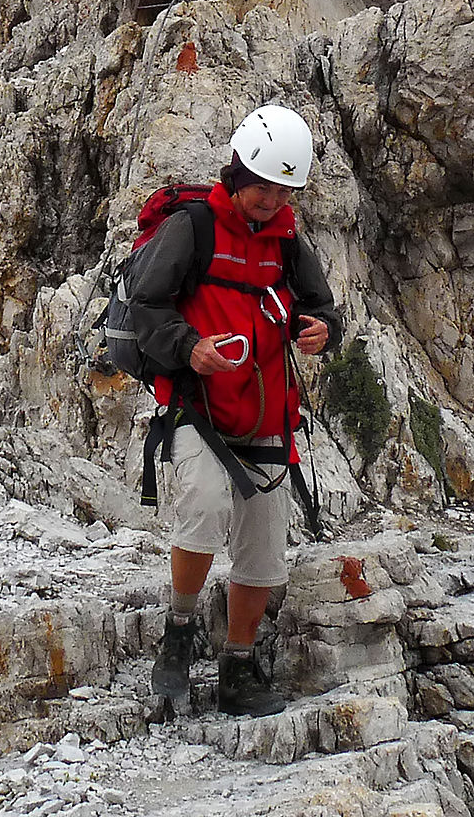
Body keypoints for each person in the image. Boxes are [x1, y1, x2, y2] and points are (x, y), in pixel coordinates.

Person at [127, 104, 340, 717]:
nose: (272, 198)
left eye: (284, 189)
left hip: (268, 413)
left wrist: (324, 329)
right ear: (239, 170)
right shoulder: (194, 226)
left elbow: (324, 308)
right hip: (198, 407)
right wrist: (190, 350)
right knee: (204, 504)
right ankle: (178, 632)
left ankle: (238, 667)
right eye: (264, 185)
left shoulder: (288, 240)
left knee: (267, 545)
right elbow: (148, 306)